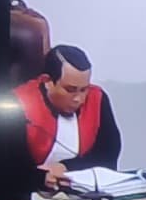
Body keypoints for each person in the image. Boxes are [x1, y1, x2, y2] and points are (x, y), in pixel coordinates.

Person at [12, 45, 122, 190]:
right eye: (70, 90)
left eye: (84, 89)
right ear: (47, 81)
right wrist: (41, 178)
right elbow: (10, 168)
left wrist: (65, 167)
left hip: (82, 191)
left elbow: (108, 156)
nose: (79, 99)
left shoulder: (97, 98)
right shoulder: (17, 104)